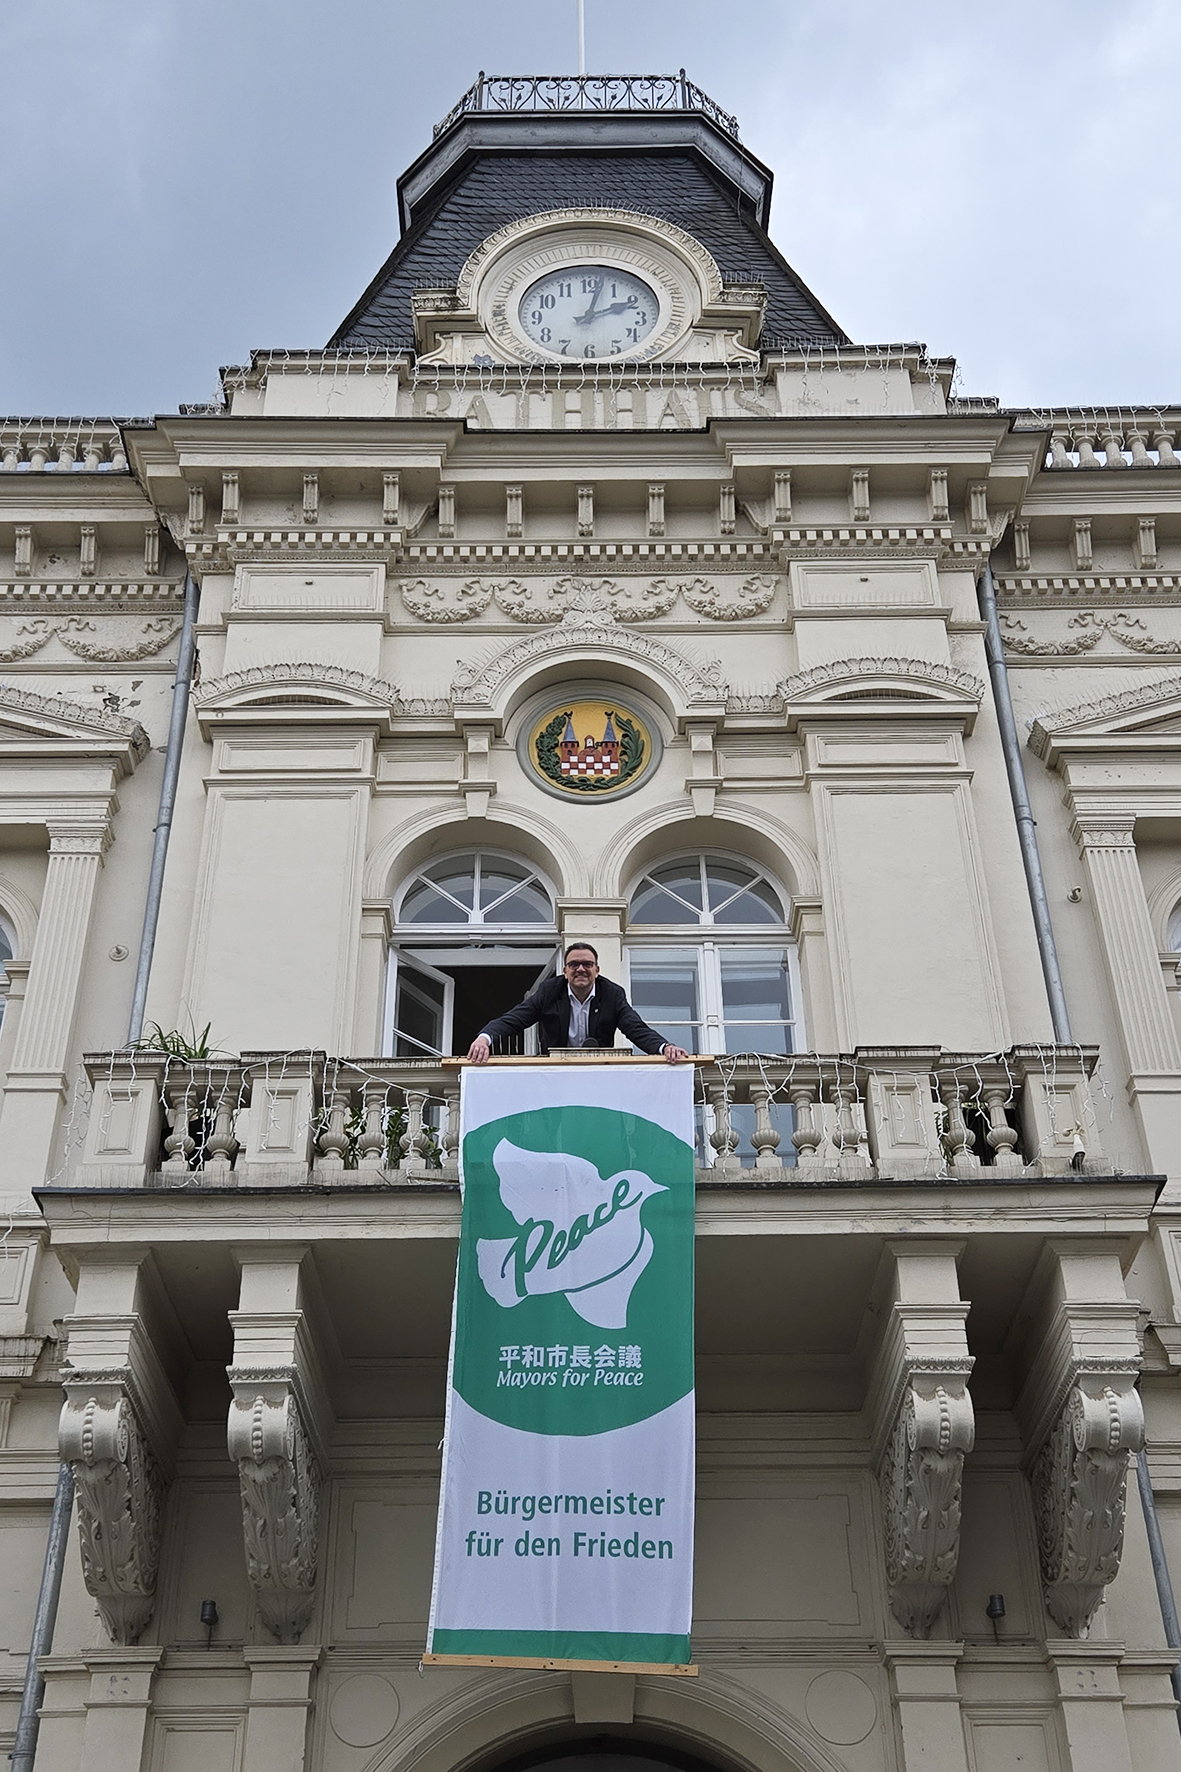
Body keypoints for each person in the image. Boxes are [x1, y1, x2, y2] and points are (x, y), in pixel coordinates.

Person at [466, 942, 689, 1063]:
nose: (580, 969)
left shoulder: (612, 994)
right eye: (573, 965)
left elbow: (635, 1028)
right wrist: (484, 1039)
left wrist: (665, 1047)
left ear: (597, 970)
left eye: (587, 964)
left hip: (597, 1072)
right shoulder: (549, 992)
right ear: (564, 971)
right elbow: (514, 1019)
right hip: (556, 1071)